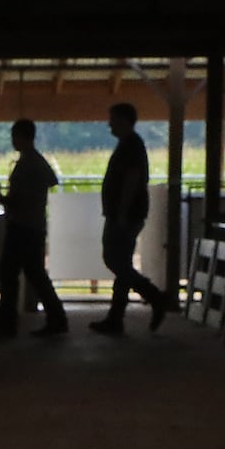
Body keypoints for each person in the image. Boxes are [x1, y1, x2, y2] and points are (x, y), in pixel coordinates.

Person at [91, 101, 170, 335]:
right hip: (123, 213)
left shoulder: (131, 146)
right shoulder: (130, 144)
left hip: (124, 214)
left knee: (114, 260)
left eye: (113, 119)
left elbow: (132, 180)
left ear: (124, 121)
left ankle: (154, 297)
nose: (109, 124)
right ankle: (116, 318)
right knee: (121, 262)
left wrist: (123, 212)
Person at [0, 118, 67, 337]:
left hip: (22, 226)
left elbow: (19, 199)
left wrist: (1, 199)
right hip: (34, 225)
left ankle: (7, 324)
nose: (12, 141)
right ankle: (57, 317)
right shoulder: (37, 161)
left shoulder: (26, 164)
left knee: (9, 273)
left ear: (21, 136)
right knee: (35, 274)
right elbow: (50, 183)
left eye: (14, 136)